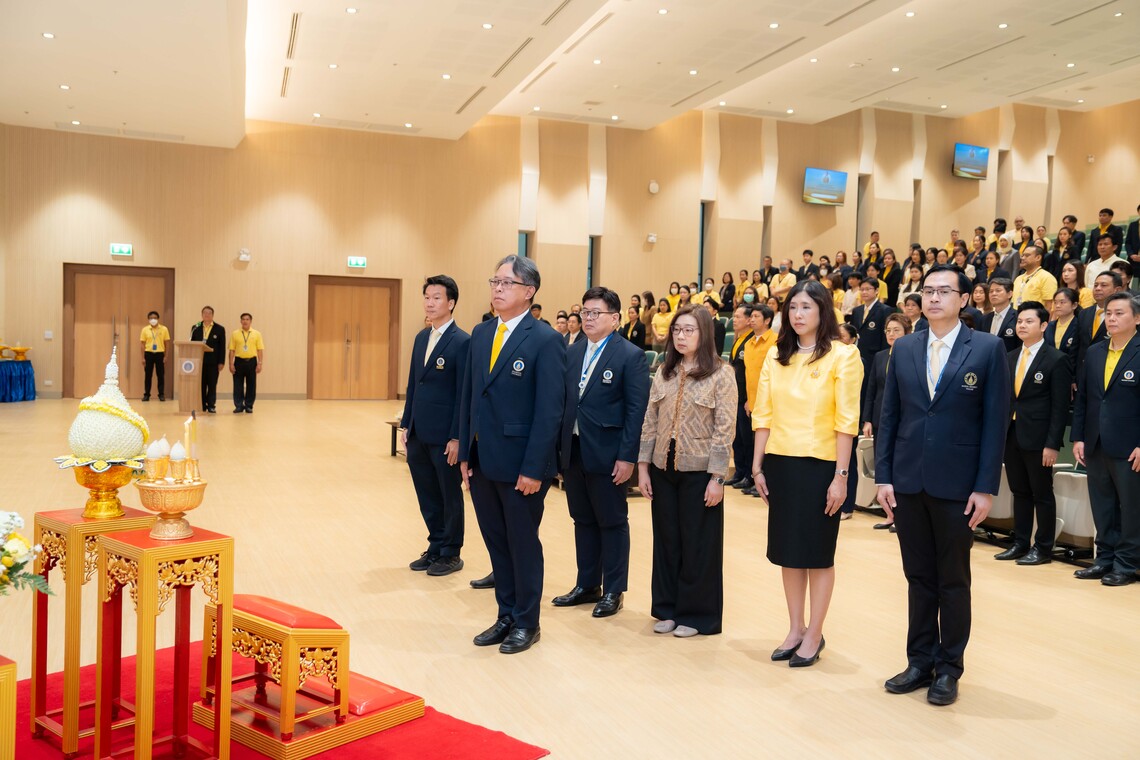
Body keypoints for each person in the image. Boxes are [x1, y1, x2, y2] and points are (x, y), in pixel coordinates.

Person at [875, 264, 1010, 707]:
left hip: (958, 486)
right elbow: (890, 416)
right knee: (918, 577)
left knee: (953, 580)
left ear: (964, 299)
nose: (934, 298)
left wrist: (985, 486)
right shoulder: (905, 347)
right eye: (928, 290)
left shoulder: (987, 348)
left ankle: (949, 668)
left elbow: (995, 424)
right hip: (909, 481)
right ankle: (919, 661)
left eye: (944, 291)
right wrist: (884, 476)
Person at [458, 255, 566, 654]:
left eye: (507, 283)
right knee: (496, 543)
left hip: (522, 465)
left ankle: (527, 621)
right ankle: (505, 614)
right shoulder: (482, 333)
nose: (498, 288)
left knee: (522, 544)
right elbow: (470, 396)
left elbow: (550, 410)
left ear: (529, 291)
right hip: (483, 459)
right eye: (495, 281)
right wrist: (465, 451)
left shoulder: (546, 339)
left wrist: (534, 468)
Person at [752, 280, 862, 667]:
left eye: (806, 307)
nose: (798, 315)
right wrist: (757, 465)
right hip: (781, 464)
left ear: (822, 311)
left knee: (817, 554)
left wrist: (841, 476)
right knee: (789, 553)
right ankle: (795, 628)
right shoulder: (776, 355)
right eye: (793, 308)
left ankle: (815, 632)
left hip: (821, 466)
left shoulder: (843, 356)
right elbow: (763, 412)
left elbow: (846, 421)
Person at [637, 305, 736, 638]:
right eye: (677, 330)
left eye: (688, 330)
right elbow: (650, 420)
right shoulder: (665, 371)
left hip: (700, 472)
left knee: (698, 545)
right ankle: (667, 608)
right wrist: (643, 467)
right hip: (663, 468)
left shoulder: (721, 374)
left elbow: (725, 428)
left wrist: (718, 477)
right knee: (667, 541)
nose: (680, 336)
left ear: (703, 333)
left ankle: (697, 615)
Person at [552, 287, 649, 618]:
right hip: (575, 449)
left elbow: (636, 412)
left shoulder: (630, 356)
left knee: (612, 521)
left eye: (596, 313)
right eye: (585, 312)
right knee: (582, 519)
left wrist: (627, 457)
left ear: (615, 318)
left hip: (609, 454)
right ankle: (587, 584)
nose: (588, 318)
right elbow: (565, 403)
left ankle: (614, 590)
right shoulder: (573, 351)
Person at [402, 275, 471, 577]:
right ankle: (435, 545)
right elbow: (413, 384)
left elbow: (463, 394)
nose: (429, 303)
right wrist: (407, 424)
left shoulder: (462, 341)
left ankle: (451, 552)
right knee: (427, 493)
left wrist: (457, 436)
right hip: (419, 431)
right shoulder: (421, 337)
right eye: (427, 297)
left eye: (437, 298)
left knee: (448, 495)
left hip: (445, 436)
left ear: (451, 303)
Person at [1071, 292, 1140, 587]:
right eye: (1108, 313)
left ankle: (1127, 564)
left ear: (1137, 318)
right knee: (1103, 506)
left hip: (1130, 446)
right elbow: (1084, 398)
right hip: (1095, 442)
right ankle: (1104, 560)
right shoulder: (1095, 351)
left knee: (1132, 508)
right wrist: (1078, 438)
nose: (1111, 318)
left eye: (1119, 313)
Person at [994, 301, 1071, 566]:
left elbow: (1060, 407)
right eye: (1019, 321)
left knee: (1042, 494)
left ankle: (1044, 548)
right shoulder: (1010, 356)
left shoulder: (1056, 359)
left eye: (1029, 321)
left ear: (1044, 325)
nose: (1022, 326)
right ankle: (1020, 542)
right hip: (1012, 433)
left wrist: (1052, 444)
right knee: (1019, 491)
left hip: (1039, 438)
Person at [861, 314, 912, 531]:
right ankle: (889, 514)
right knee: (883, 465)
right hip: (880, 418)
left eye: (896, 330)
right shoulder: (881, 356)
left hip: (903, 420)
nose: (891, 334)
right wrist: (867, 419)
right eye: (888, 330)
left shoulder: (912, 356)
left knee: (900, 467)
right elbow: (871, 389)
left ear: (907, 332)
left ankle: (902, 516)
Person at [740, 304, 777, 496]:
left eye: (756, 316)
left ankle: (767, 482)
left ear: (767, 320)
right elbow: (750, 375)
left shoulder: (776, 341)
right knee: (751, 443)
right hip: (752, 402)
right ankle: (753, 478)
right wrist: (748, 399)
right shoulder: (748, 344)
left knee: (767, 446)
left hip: (770, 404)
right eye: (751, 316)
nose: (751, 319)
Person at [726, 304, 755, 490]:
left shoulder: (751, 341)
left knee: (747, 439)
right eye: (734, 316)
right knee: (736, 439)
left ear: (748, 320)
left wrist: (748, 398)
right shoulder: (738, 339)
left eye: (738, 317)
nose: (734, 320)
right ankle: (739, 471)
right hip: (734, 395)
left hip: (745, 396)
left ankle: (748, 475)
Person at [1077, 271, 1124, 379]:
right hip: (1082, 373)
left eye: (1103, 285)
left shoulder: (1123, 316)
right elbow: (1077, 346)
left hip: (1109, 374)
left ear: (1117, 290)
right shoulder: (1084, 313)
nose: (1098, 288)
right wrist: (1074, 377)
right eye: (1095, 285)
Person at [851, 278, 890, 389]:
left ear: (876, 290)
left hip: (875, 355)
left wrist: (883, 358)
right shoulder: (856, 311)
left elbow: (885, 337)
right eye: (862, 289)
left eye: (868, 289)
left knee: (872, 387)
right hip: (858, 355)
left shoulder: (885, 310)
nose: (864, 292)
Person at [190, 306, 226, 413]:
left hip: (213, 362)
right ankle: (201, 405)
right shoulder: (195, 327)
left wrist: (221, 362)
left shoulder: (219, 329)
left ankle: (211, 405)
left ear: (212, 315)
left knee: (212, 384)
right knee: (200, 385)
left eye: (209, 313)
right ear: (202, 315)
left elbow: (222, 347)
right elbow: (191, 344)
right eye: (205, 313)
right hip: (199, 361)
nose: (207, 315)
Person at [228, 313, 264, 413]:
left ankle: (249, 405)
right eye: (243, 319)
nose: (245, 321)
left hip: (252, 361)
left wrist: (260, 363)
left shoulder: (257, 334)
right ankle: (239, 406)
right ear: (240, 321)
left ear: (250, 321)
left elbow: (260, 350)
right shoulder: (235, 333)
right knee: (237, 385)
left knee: (251, 384)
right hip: (238, 361)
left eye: (247, 319)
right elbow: (231, 350)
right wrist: (231, 363)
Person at [1012, 246, 1058, 311]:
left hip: (1036, 316)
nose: (1022, 258)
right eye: (1022, 255)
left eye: (1027, 255)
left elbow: (1050, 306)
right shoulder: (1018, 279)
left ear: (1038, 257)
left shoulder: (1047, 277)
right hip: (1017, 316)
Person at [980, 279, 1020, 351]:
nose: (993, 294)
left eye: (998, 290)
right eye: (991, 291)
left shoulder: (1018, 317)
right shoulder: (984, 318)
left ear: (1009, 294)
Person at [139, 310, 170, 402]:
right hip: (148, 353)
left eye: (155, 318)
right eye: (151, 318)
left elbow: (167, 343)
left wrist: (166, 356)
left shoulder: (164, 329)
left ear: (158, 319)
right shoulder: (145, 330)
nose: (153, 320)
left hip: (160, 354)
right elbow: (142, 344)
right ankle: (146, 395)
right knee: (148, 375)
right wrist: (142, 358)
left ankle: (161, 394)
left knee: (160, 375)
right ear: (148, 319)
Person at [1045, 287, 1080, 369]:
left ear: (1074, 305)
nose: (1057, 306)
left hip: (1070, 370)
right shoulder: (1049, 326)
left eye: (1062, 302)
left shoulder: (1079, 326)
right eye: (1055, 302)